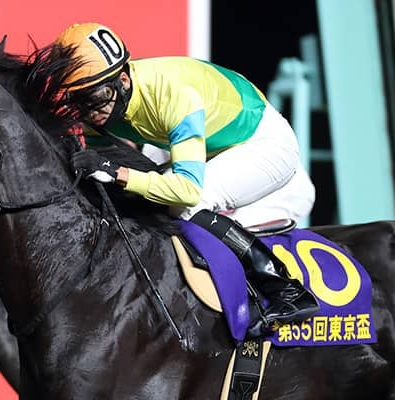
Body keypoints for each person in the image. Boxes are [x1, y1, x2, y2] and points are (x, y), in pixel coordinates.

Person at [37, 22, 319, 336]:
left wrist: (117, 171)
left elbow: (186, 191)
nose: (92, 112)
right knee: (146, 199)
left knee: (184, 205)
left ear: (123, 81)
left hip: (264, 143)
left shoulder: (173, 95)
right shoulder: (101, 109)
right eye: (80, 101)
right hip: (216, 145)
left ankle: (287, 290)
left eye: (97, 97)